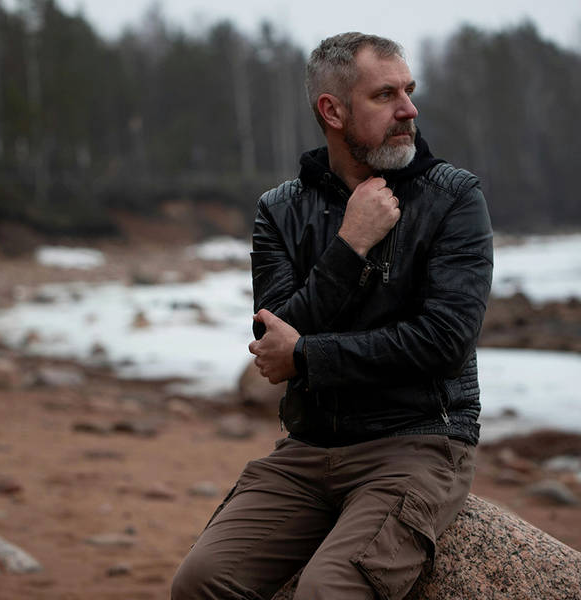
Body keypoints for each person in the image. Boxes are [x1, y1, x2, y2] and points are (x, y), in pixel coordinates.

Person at [171, 32, 493, 600]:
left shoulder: (453, 198)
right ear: (333, 111)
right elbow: (272, 335)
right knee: (201, 582)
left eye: (409, 91)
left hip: (418, 443)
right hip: (309, 449)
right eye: (385, 95)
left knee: (328, 590)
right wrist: (350, 246)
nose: (409, 109)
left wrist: (306, 356)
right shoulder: (280, 210)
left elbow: (445, 341)